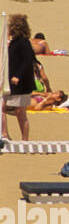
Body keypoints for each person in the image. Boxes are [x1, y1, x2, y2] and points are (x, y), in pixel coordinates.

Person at [3, 14, 37, 142]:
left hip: (22, 83)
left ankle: (24, 140)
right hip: (13, 82)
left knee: (20, 112)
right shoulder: (15, 42)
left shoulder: (23, 42)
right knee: (8, 108)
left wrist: (18, 75)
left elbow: (27, 61)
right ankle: (5, 134)